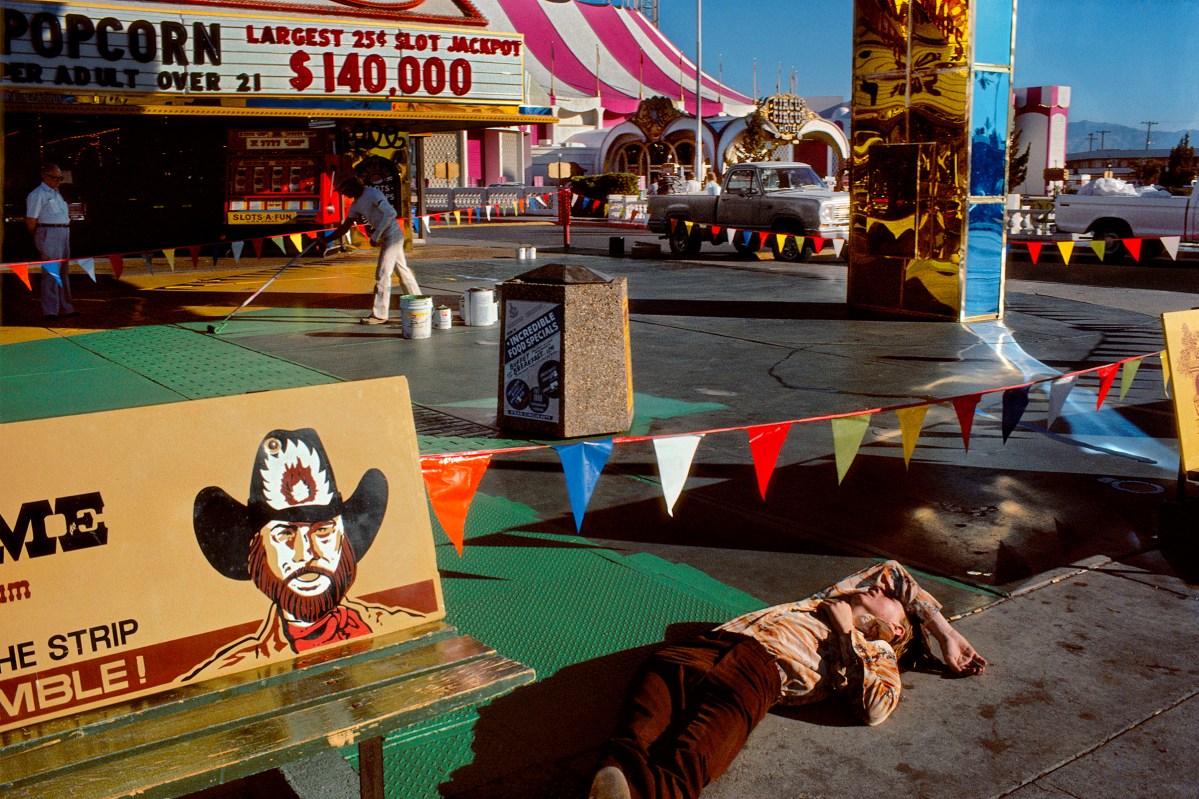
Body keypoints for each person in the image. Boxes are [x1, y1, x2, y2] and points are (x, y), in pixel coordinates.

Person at [588, 560, 987, 799]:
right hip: (705, 647)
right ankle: (617, 781)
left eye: (889, 598)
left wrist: (849, 634)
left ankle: (649, 793)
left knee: (695, 753)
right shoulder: (830, 598)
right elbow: (892, 570)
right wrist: (948, 634)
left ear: (898, 628)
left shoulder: (878, 649)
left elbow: (877, 708)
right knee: (639, 727)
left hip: (759, 670)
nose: (878, 587)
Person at [185, 428, 427, 680]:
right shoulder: (230, 674)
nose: (305, 554)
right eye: (285, 535)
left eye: (322, 531)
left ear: (343, 538)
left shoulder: (403, 628)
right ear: (258, 547)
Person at [328, 175, 421, 325]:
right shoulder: (356, 204)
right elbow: (345, 227)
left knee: (383, 273)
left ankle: (380, 314)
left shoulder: (373, 194)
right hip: (386, 237)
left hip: (393, 235)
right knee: (403, 272)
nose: (345, 195)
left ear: (353, 187)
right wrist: (325, 240)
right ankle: (419, 303)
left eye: (345, 191)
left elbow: (391, 213)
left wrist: (376, 234)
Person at [25, 163, 77, 321]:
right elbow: (31, 220)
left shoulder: (57, 194)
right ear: (44, 176)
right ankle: (50, 310)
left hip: (62, 231)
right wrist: (40, 238)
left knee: (63, 272)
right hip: (48, 231)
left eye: (60, 178)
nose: (57, 181)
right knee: (51, 272)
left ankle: (65, 307)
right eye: (54, 178)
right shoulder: (38, 194)